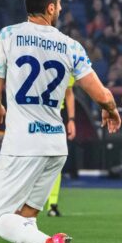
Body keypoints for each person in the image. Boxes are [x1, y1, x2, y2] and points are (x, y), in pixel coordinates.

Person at [0, 0, 121, 243]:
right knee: (25, 218)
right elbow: (101, 93)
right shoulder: (70, 46)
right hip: (55, 146)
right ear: (49, 8)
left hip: (22, 142)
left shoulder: (9, 35)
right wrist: (111, 110)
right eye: (58, 4)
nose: (60, 9)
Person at [46, 84, 75, 217]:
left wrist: (71, 120)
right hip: (33, 114)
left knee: (56, 161)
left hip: (56, 116)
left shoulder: (66, 70)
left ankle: (52, 203)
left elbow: (68, 92)